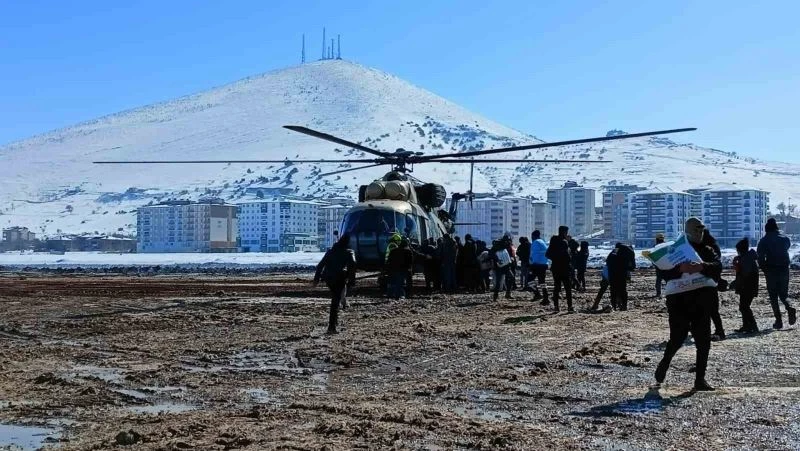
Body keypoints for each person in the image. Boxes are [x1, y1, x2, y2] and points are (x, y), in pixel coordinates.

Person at [654, 217, 720, 391]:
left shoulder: (707, 250)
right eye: (696, 230)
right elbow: (663, 272)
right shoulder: (675, 250)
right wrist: (680, 270)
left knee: (703, 341)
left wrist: (701, 267)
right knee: (677, 337)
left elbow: (717, 267)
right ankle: (665, 363)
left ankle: (700, 379)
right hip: (679, 302)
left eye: (702, 230)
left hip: (701, 302)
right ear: (688, 231)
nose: (700, 233)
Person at [757, 218, 796, 329]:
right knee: (784, 295)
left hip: (771, 270)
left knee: (773, 296)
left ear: (766, 229)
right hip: (784, 269)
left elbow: (760, 258)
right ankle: (790, 307)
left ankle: (778, 321)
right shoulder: (785, 239)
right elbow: (787, 248)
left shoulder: (764, 241)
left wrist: (765, 269)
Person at [314, 234, 356, 335]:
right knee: (335, 302)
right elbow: (353, 265)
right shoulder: (349, 252)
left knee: (335, 298)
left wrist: (316, 279)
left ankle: (334, 323)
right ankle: (331, 327)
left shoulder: (330, 251)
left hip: (328, 278)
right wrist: (351, 281)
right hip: (339, 279)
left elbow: (320, 265)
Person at [731, 237, 760, 334]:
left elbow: (744, 275)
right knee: (744, 306)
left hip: (747, 287)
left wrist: (735, 283)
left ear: (740, 250)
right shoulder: (747, 257)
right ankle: (747, 326)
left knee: (744, 307)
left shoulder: (746, 259)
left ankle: (753, 326)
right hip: (748, 287)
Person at [702, 230, 726, 340]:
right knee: (713, 310)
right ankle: (719, 330)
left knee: (704, 309)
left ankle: (707, 331)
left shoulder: (703, 248)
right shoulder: (714, 245)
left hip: (704, 281)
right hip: (713, 281)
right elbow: (718, 263)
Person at [546, 226, 573, 312]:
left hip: (555, 268)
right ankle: (570, 307)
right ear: (565, 232)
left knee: (556, 288)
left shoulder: (553, 241)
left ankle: (556, 307)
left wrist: (555, 259)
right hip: (564, 268)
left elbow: (547, 254)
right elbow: (568, 257)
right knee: (568, 288)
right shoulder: (564, 242)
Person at [606, 243, 636, 311]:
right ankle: (624, 306)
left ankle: (613, 306)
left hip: (612, 274)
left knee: (613, 290)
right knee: (623, 290)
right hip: (622, 274)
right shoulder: (628, 253)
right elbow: (632, 267)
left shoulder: (614, 252)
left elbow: (608, 262)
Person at [529, 230, 550, 304]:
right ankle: (545, 297)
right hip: (544, 264)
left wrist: (531, 263)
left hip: (536, 265)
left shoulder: (535, 242)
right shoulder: (543, 242)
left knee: (529, 280)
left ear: (533, 236)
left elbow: (533, 255)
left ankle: (537, 293)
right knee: (542, 282)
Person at [654, 233, 666, 298]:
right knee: (668, 280)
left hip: (659, 266)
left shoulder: (656, 246)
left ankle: (658, 293)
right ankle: (670, 292)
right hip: (667, 265)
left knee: (659, 279)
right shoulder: (666, 245)